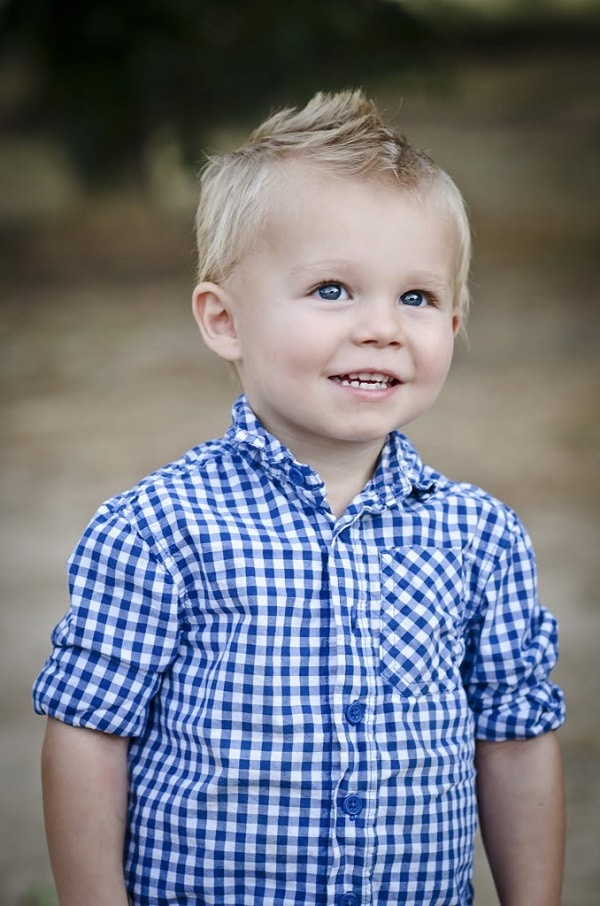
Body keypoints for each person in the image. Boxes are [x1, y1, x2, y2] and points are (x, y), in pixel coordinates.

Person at [33, 89, 566, 906]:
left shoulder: (480, 537)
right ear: (224, 321)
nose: (382, 327)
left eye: (416, 298)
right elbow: (90, 735)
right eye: (332, 291)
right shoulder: (159, 528)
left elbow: (515, 742)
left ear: (454, 326)